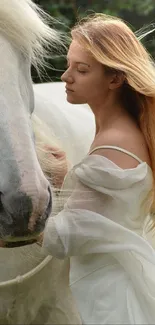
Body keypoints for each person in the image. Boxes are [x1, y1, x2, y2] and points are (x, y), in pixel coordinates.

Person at [42, 13, 155, 324]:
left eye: (82, 70)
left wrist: (19, 220)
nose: (66, 76)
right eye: (69, 65)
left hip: (111, 301)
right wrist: (65, 178)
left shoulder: (113, 144)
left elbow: (61, 240)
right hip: (110, 286)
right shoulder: (124, 131)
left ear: (115, 79)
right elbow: (103, 216)